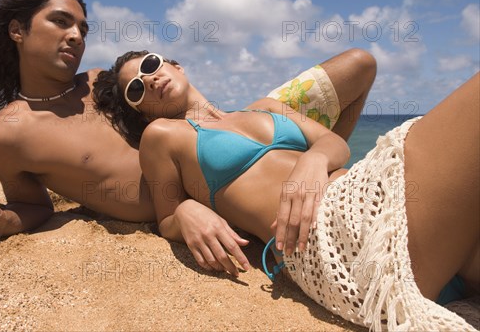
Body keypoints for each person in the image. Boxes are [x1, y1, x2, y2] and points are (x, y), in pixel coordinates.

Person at [0, 0, 378, 276]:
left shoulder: (100, 80)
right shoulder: (5, 135)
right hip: (208, 185)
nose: (76, 36)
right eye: (60, 21)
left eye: (82, 27)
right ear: (17, 30)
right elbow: (34, 207)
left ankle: (317, 175)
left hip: (224, 139)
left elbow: (168, 98)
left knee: (357, 67)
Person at [93, 50, 479, 330]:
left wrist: (311, 162)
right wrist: (186, 212)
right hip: (332, 238)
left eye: (150, 65)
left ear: (174, 65)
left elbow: (336, 145)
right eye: (136, 90)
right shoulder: (163, 136)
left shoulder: (265, 107)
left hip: (374, 199)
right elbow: (167, 216)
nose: (150, 80)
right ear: (142, 112)